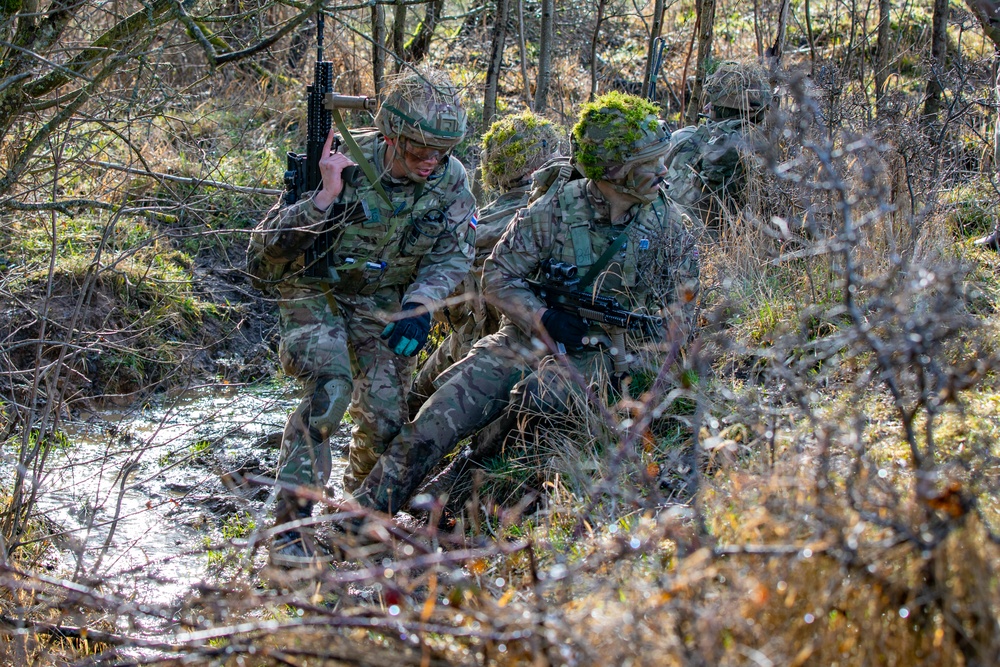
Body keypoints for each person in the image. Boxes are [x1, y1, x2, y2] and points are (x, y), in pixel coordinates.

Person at [350, 91, 700, 518]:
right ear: (614, 169)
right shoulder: (554, 209)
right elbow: (498, 277)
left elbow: (678, 324)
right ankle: (357, 522)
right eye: (650, 162)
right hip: (528, 338)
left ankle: (455, 491)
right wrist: (542, 317)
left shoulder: (671, 228)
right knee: (438, 415)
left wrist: (622, 358)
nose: (663, 171)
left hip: (611, 354)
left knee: (537, 400)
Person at [248, 68, 476, 564]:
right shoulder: (339, 163)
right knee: (331, 391)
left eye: (442, 151)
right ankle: (290, 528)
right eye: (419, 150)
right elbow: (262, 259)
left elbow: (454, 253)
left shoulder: (449, 179)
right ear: (392, 137)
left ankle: (354, 515)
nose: (431, 162)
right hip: (314, 289)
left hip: (381, 298)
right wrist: (323, 196)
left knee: (387, 418)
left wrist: (421, 303)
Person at [407, 111, 563, 414]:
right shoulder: (546, 218)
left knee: (410, 407)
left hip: (462, 343)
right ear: (538, 163)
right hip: (511, 357)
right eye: (554, 151)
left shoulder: (476, 218)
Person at [665, 59, 773, 232]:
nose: (707, 107)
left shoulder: (684, 138)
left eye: (712, 102)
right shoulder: (764, 145)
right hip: (731, 240)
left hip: (679, 235)